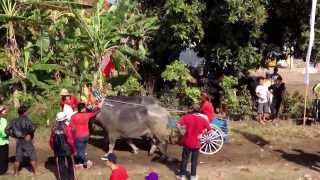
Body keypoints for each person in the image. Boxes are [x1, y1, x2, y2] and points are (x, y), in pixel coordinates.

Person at [176, 104, 211, 180]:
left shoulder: (186, 117)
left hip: (187, 142)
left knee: (184, 159)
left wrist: (182, 132)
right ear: (199, 110)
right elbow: (210, 130)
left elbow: (178, 125)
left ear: (192, 110)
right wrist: (202, 134)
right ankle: (193, 176)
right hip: (197, 143)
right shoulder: (203, 119)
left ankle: (182, 176)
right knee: (194, 161)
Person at [5, 105, 37, 176]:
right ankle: (35, 172)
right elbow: (33, 128)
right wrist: (28, 134)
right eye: (27, 111)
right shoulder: (27, 120)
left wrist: (14, 135)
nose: (27, 113)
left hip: (19, 141)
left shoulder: (14, 121)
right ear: (24, 112)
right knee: (32, 156)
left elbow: (6, 130)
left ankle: (16, 173)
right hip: (27, 141)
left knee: (18, 158)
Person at [70, 103, 98, 168]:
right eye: (85, 108)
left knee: (79, 151)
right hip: (86, 135)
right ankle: (82, 162)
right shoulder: (87, 115)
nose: (85, 109)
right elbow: (95, 113)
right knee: (82, 150)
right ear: (82, 109)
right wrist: (97, 106)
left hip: (78, 136)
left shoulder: (74, 116)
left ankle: (86, 161)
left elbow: (71, 126)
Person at [49, 112, 76, 180]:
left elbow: (51, 141)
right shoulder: (67, 128)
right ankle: (71, 178)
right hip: (68, 150)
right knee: (71, 165)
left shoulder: (54, 129)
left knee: (61, 166)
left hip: (58, 150)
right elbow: (70, 141)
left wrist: (54, 149)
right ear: (65, 119)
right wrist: (73, 150)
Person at [0, 106, 9, 175]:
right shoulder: (3, 120)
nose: (5, 112)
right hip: (3, 142)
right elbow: (4, 133)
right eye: (4, 111)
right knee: (3, 157)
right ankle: (2, 171)